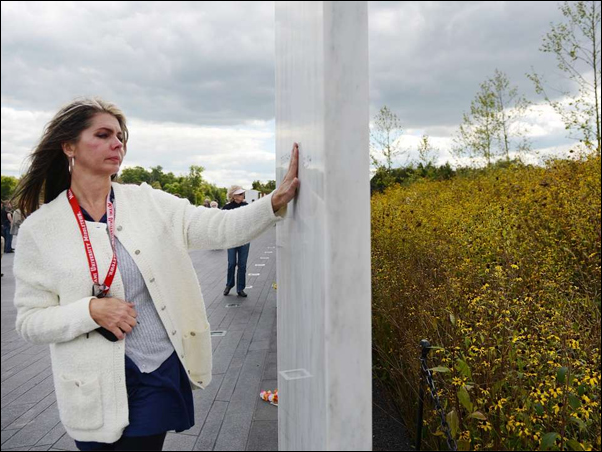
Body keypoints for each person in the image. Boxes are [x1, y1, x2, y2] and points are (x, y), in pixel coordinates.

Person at [11, 97, 300, 451]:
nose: (117, 143)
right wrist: (88, 311)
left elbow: (220, 227)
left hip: (155, 369)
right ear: (69, 145)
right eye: (103, 134)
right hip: (89, 387)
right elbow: (29, 321)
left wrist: (273, 201)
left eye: (120, 136)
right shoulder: (40, 230)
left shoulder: (149, 203)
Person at [222, 186, 251, 297]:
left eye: (243, 194)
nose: (242, 196)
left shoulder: (246, 206)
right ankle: (229, 285)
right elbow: (222, 223)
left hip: (245, 239)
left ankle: (240, 288)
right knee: (232, 263)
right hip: (231, 239)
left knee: (242, 265)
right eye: (239, 194)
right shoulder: (226, 208)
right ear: (233, 196)